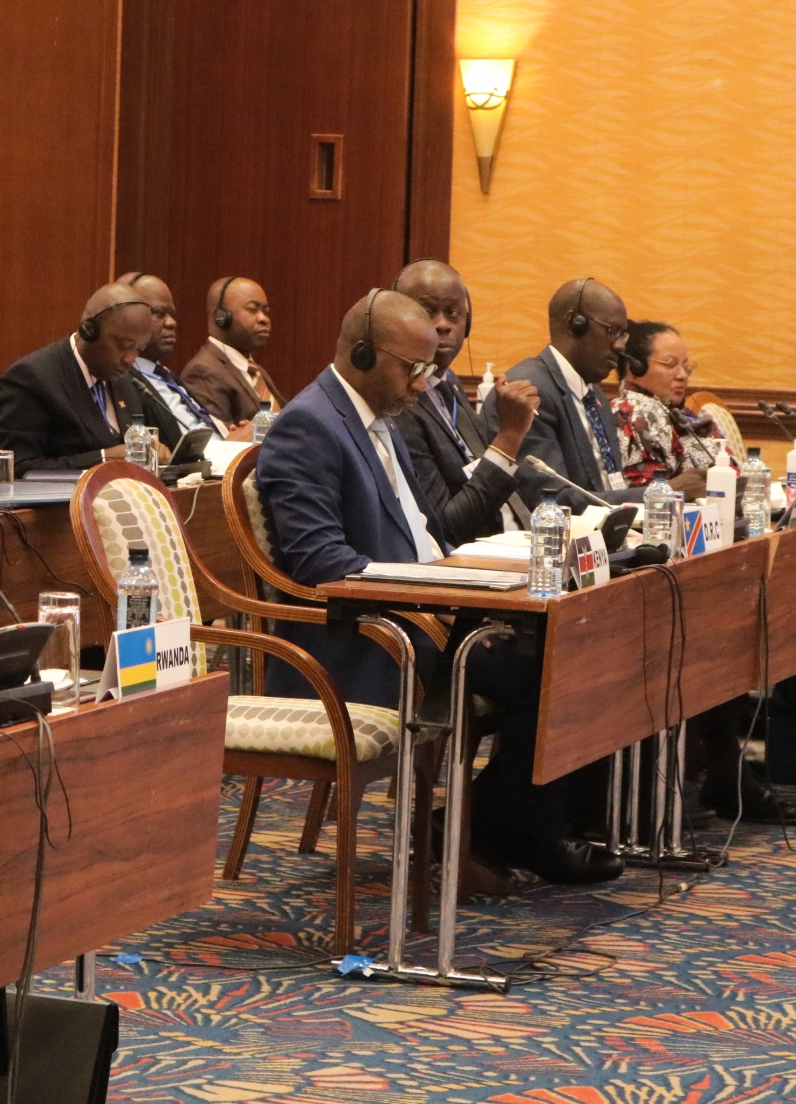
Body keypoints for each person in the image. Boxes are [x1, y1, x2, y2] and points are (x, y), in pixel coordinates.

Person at [256, 289, 621, 884]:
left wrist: (468, 575)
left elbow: (426, 533)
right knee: (549, 671)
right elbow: (321, 563)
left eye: (428, 369)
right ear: (364, 355)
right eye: (412, 367)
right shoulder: (308, 426)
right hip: (365, 638)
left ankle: (499, 828)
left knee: (581, 648)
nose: (423, 383)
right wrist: (438, 590)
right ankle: (503, 833)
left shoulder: (380, 418)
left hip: (425, 613)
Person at [486, 278, 706, 512]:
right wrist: (664, 492)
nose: (620, 346)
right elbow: (552, 501)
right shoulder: (529, 391)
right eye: (613, 331)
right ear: (575, 323)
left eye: (623, 335)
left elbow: (605, 488)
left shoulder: (595, 397)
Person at [390, 259, 537, 542]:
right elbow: (447, 530)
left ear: (467, 324)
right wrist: (509, 436)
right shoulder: (399, 404)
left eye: (453, 313)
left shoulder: (449, 384)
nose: (443, 325)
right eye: (428, 311)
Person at [0, 285, 167, 474]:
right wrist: (104, 458)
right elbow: (16, 468)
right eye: (123, 345)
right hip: (65, 494)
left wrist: (153, 451)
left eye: (138, 349)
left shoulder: (124, 379)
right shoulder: (29, 379)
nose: (130, 359)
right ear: (89, 331)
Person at [120, 270, 245, 442]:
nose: (171, 322)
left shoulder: (165, 375)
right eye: (159, 313)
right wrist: (232, 445)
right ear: (126, 316)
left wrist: (234, 438)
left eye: (172, 314)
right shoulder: (122, 380)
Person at [612, 320, 723, 488]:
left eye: (686, 366)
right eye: (670, 364)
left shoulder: (678, 414)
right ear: (634, 368)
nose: (682, 376)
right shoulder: (632, 416)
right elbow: (648, 494)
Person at [181, 275, 287, 425]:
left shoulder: (255, 371)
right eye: (252, 309)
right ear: (221, 317)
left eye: (266, 311)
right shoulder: (203, 371)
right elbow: (222, 438)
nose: (264, 319)